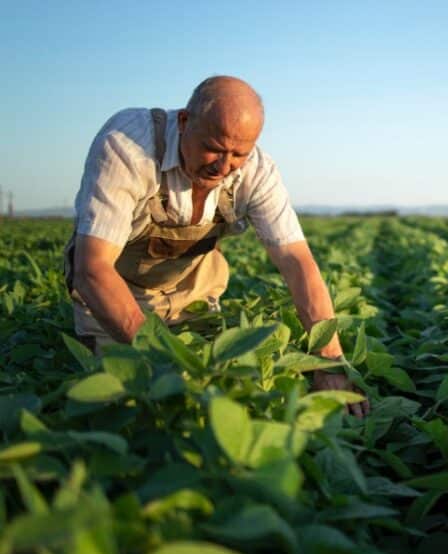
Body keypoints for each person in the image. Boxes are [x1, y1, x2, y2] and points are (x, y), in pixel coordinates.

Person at [64, 75, 369, 418]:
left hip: (192, 297)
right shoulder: (127, 145)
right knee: (131, 402)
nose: (224, 166)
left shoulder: (257, 171)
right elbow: (92, 271)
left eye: (239, 153)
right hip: (115, 298)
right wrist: (168, 363)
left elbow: (297, 263)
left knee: (230, 397)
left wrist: (328, 364)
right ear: (183, 121)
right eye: (214, 147)